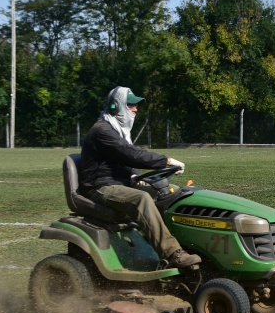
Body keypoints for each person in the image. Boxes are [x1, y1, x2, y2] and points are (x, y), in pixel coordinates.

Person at [78, 86, 201, 268]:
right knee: (141, 199)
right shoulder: (101, 131)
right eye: (130, 105)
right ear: (115, 107)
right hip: (99, 187)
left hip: (119, 183)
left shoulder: (117, 130)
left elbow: (123, 157)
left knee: (170, 192)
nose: (135, 109)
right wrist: (166, 161)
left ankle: (180, 244)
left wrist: (135, 175)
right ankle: (173, 254)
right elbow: (130, 154)